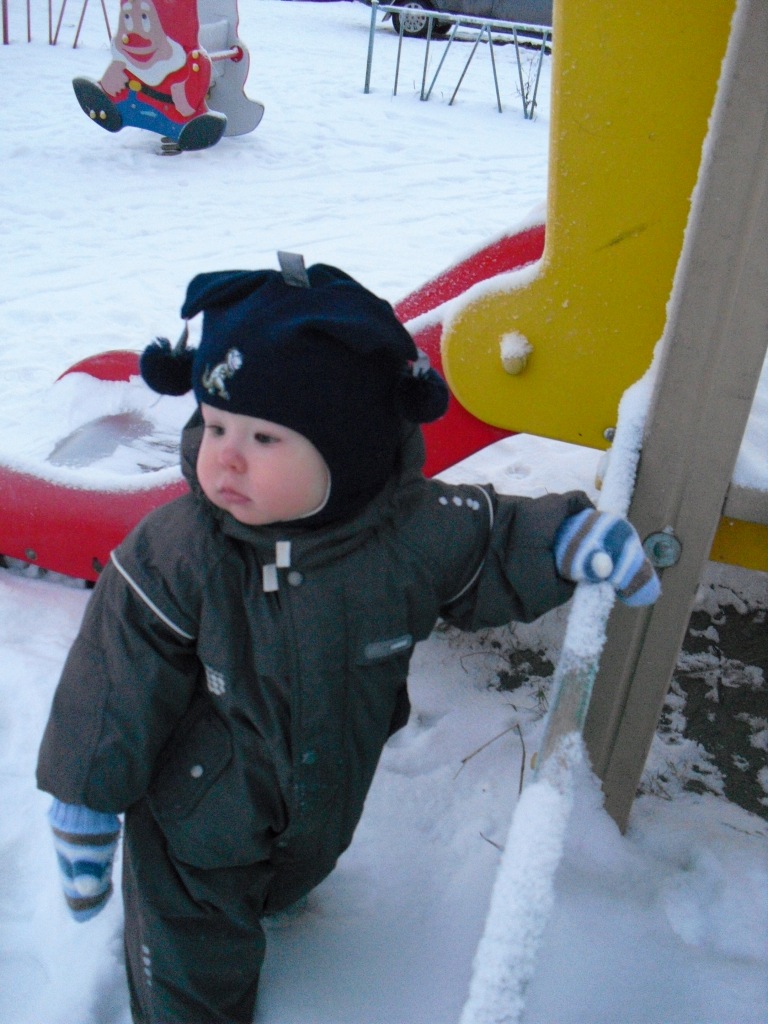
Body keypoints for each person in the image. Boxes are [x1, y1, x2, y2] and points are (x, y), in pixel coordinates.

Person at [36, 254, 660, 1024]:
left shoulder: (406, 534)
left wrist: (566, 541)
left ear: (349, 451)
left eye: (265, 437)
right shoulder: (184, 550)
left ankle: (275, 893)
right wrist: (85, 801)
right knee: (193, 955)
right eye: (216, 424)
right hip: (196, 814)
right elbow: (113, 678)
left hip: (324, 793)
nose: (224, 454)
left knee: (289, 877)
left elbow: (491, 542)